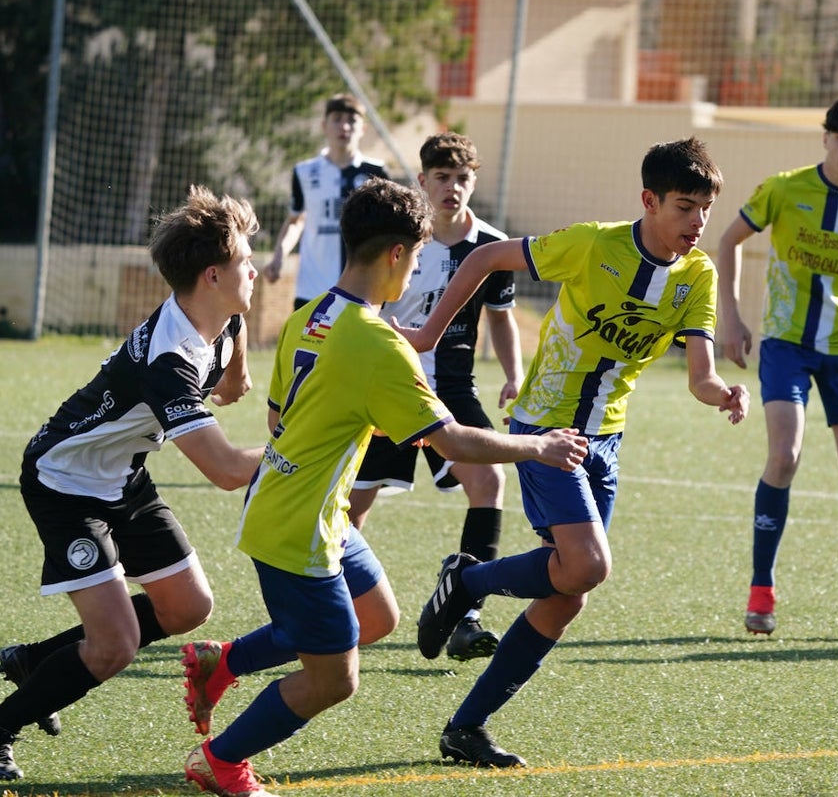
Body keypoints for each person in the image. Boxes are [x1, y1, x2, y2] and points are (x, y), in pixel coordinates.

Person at [180, 177, 587, 797]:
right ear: (397, 253)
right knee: (334, 679)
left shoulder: (308, 312)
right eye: (418, 257)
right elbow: (453, 442)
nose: (417, 270)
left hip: (309, 508)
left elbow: (277, 420)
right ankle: (221, 760)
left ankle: (222, 662)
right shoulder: (379, 343)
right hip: (299, 529)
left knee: (375, 617)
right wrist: (541, 446)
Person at [395, 137, 750, 768]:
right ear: (649, 200)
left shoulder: (697, 275)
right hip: (547, 429)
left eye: (705, 209)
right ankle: (468, 580)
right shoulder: (592, 244)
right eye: (685, 207)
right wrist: (427, 332)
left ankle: (465, 722)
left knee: (567, 593)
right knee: (585, 567)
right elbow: (482, 259)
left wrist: (721, 392)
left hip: (606, 439)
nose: (698, 222)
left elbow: (698, 373)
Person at [0, 186, 266, 781]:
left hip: (122, 477)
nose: (255, 270)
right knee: (114, 646)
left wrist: (237, 341)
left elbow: (234, 386)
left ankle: (35, 662)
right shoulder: (170, 362)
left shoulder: (216, 317)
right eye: (244, 263)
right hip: (64, 483)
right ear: (211, 275)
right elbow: (229, 471)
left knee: (188, 606)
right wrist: (311, 452)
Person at [714, 93, 838, 644]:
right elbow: (728, 241)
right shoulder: (784, 188)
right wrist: (732, 317)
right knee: (784, 455)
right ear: (825, 140)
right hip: (787, 343)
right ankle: (761, 591)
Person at [354, 132, 523, 662]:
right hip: (387, 385)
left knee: (489, 479)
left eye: (463, 178)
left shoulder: (491, 247)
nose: (453, 188)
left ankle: (465, 614)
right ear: (422, 181)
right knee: (350, 506)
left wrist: (514, 376)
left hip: (451, 389)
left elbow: (502, 319)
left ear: (474, 182)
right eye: (442, 178)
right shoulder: (398, 240)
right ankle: (330, 603)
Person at [262, 93, 390, 310]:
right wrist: (278, 257)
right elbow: (296, 220)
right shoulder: (305, 171)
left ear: (363, 129)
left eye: (352, 120)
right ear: (324, 125)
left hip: (362, 288)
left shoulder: (376, 172)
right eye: (337, 119)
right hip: (313, 287)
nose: (344, 126)